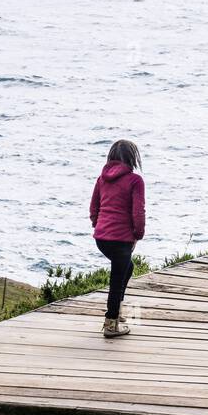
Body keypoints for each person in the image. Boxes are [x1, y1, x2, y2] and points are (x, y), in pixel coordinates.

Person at [88, 139, 145, 338]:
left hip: (102, 238)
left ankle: (117, 312)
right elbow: (138, 212)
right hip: (121, 239)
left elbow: (94, 207)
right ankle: (111, 324)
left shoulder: (101, 179)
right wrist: (137, 234)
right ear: (132, 159)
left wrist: (99, 226)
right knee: (116, 279)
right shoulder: (135, 180)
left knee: (127, 268)